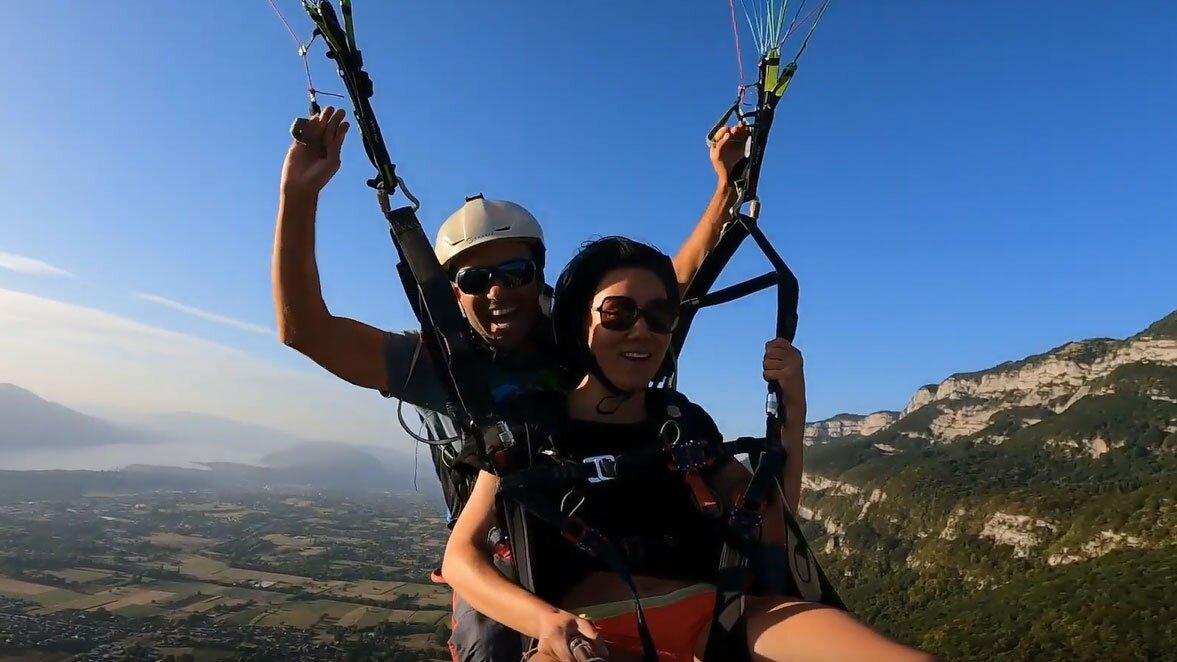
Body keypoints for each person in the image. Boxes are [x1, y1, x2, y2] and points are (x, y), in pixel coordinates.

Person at [272, 107, 750, 660]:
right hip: (497, 543)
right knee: (491, 647)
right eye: (475, 279)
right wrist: (299, 194)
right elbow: (306, 330)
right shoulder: (433, 360)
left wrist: (725, 189)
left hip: (594, 514)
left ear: (538, 276)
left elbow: (670, 286)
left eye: (514, 274)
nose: (497, 292)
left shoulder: (574, 334)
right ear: (453, 293)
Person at [442, 237, 933, 662]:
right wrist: (544, 621)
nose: (641, 330)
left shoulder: (680, 421)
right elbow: (462, 557)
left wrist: (793, 415)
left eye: (659, 316)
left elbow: (773, 527)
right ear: (578, 324)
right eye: (618, 313)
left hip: (719, 616)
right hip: (582, 635)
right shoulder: (528, 428)